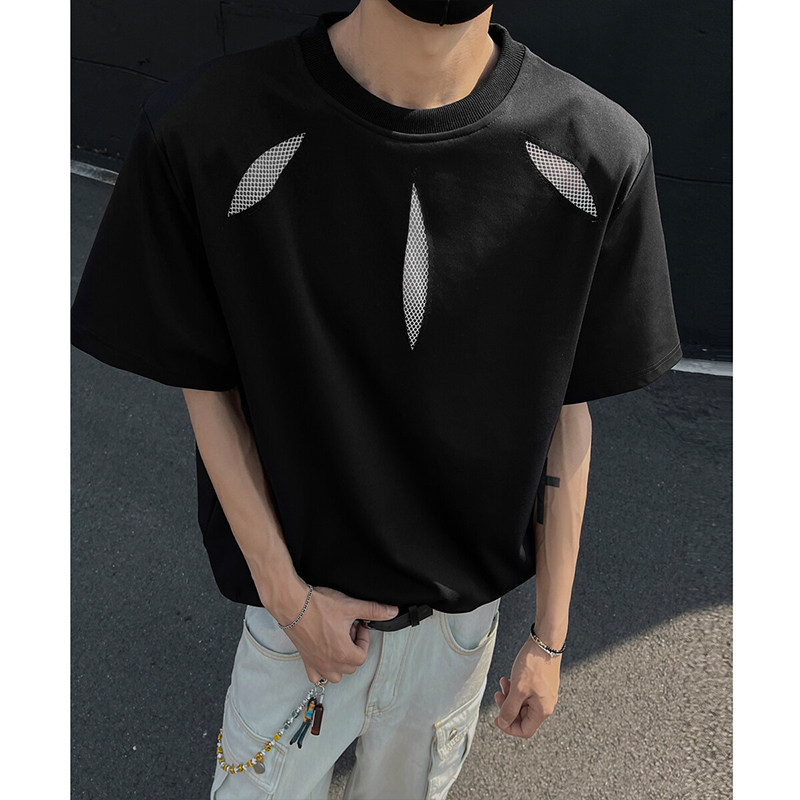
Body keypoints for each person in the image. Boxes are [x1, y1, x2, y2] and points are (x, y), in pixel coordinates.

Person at [70, 1, 683, 797]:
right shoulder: (209, 131)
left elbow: (567, 403)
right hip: (296, 622)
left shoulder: (594, 154)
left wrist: (551, 638)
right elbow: (207, 379)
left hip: (457, 639)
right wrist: (288, 600)